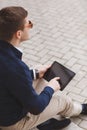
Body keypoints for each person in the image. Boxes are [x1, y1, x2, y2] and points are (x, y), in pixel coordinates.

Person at [0, 6, 87, 130]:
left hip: (5, 108)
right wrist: (50, 88)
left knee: (36, 69)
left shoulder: (7, 57)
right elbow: (36, 107)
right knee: (62, 101)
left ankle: (43, 122)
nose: (31, 25)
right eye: (28, 24)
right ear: (18, 34)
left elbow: (9, 77)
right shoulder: (16, 67)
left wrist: (34, 73)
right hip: (12, 123)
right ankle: (80, 109)